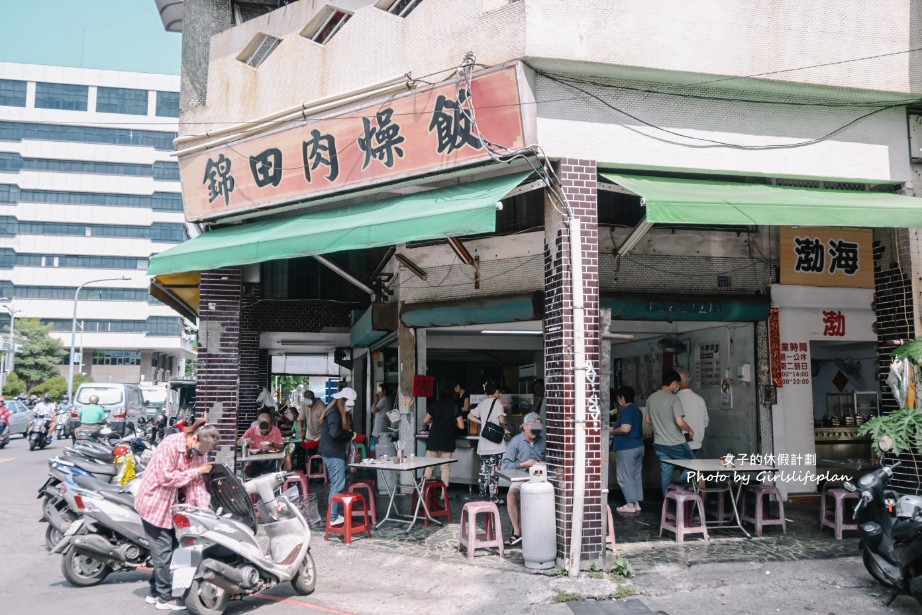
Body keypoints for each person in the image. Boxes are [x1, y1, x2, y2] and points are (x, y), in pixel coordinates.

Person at [133, 419, 218, 610]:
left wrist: (204, 511)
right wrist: (196, 471)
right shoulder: (170, 445)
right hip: (155, 502)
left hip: (174, 507)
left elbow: (197, 485)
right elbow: (166, 478)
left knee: (173, 549)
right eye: (200, 449)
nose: (200, 455)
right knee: (163, 552)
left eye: (204, 452)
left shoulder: (200, 453)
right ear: (193, 438)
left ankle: (155, 592)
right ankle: (165, 597)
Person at [645, 370, 695, 495]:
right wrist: (690, 430)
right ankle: (676, 488)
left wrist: (661, 423)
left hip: (659, 444)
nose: (678, 387)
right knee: (694, 467)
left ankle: (668, 505)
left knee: (666, 474)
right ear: (673, 383)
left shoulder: (651, 398)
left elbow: (648, 421)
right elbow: (680, 422)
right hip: (675, 443)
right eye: (678, 384)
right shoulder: (674, 398)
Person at [501, 412, 546, 546]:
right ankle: (516, 531)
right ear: (525, 426)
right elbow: (506, 465)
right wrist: (523, 464)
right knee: (511, 495)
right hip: (520, 478)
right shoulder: (516, 442)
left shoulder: (543, 441)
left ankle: (542, 531)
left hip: (539, 478)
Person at [320, 387, 356, 526]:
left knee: (338, 484)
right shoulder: (334, 413)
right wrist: (350, 434)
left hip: (333, 453)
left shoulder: (335, 412)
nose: (350, 408)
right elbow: (335, 433)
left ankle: (334, 516)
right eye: (349, 405)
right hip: (333, 454)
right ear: (343, 402)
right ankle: (333, 518)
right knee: (337, 485)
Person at [468, 382, 506, 503]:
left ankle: (482, 495)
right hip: (496, 444)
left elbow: (469, 415)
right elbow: (501, 420)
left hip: (484, 444)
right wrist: (504, 427)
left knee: (484, 470)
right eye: (498, 392)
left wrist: (482, 423)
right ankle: (493, 497)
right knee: (495, 471)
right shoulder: (498, 403)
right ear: (495, 392)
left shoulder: (482, 403)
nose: (499, 394)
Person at [422, 382, 465, 487]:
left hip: (434, 438)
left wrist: (435, 420)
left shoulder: (435, 404)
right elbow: (462, 426)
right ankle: (443, 493)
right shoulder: (455, 406)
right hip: (447, 439)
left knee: (429, 466)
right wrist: (451, 421)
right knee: (445, 467)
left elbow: (425, 420)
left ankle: (423, 491)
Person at [610, 385, 644, 513]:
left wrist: (613, 431)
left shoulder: (627, 411)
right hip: (638, 446)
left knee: (625, 476)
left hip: (627, 448)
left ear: (622, 398)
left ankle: (630, 504)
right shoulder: (637, 410)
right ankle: (636, 504)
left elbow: (625, 428)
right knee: (635, 476)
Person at [677, 369, 709, 457]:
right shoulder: (699, 399)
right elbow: (706, 422)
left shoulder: (674, 399)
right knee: (694, 468)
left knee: (682, 468)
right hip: (697, 443)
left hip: (679, 444)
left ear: (678, 382)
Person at [370, 383, 393, 452]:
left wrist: (376, 399)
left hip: (379, 430)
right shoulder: (388, 399)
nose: (378, 392)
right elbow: (372, 409)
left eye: (379, 390)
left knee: (379, 450)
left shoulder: (384, 399)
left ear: (384, 391)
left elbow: (373, 409)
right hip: (383, 428)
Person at [282, 407, 303, 472]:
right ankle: (288, 465)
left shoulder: (301, 420)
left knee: (289, 448)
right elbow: (292, 431)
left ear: (294, 414)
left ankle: (289, 467)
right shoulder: (295, 421)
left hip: (302, 442)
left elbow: (303, 434)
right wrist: (282, 433)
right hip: (297, 441)